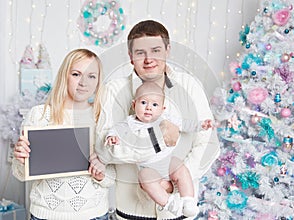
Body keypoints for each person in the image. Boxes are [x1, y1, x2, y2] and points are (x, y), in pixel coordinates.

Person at [96, 20, 220, 219]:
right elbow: (104, 150)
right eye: (140, 53)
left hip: (180, 210)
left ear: (167, 50)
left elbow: (208, 142)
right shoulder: (113, 90)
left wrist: (175, 180)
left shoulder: (189, 86)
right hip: (133, 211)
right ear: (130, 57)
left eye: (155, 50)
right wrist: (157, 140)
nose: (148, 59)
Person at [12, 48, 115, 220]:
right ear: (64, 76)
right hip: (45, 214)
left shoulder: (101, 118)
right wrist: (21, 158)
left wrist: (101, 172)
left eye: (91, 76)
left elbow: (112, 175)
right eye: (76, 74)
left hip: (93, 214)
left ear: (98, 82)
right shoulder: (39, 115)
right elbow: (20, 174)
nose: (83, 82)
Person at [103, 82, 214, 217]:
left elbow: (184, 124)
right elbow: (115, 129)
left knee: (181, 168)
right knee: (144, 178)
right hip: (148, 167)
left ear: (162, 109)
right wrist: (112, 137)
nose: (149, 108)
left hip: (167, 162)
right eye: (143, 102)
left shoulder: (165, 119)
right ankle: (170, 203)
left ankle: (188, 201)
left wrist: (201, 125)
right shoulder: (130, 123)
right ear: (134, 105)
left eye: (154, 105)